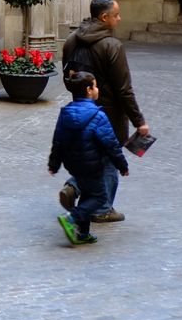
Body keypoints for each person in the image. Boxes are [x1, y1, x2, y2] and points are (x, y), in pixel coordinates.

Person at [61, 0, 149, 223]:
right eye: (116, 15)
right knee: (108, 159)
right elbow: (124, 90)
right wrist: (139, 121)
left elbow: (67, 77)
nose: (119, 19)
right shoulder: (112, 46)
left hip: (79, 109)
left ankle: (74, 186)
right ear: (104, 17)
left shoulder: (71, 40)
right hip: (108, 114)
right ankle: (101, 208)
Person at [48, 72, 129, 245]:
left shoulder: (66, 113)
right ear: (89, 90)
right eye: (95, 85)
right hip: (93, 166)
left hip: (74, 165)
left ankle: (83, 234)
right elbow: (111, 144)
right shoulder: (98, 115)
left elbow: (58, 140)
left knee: (86, 195)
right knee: (100, 198)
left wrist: (54, 164)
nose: (97, 88)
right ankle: (71, 218)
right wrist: (121, 165)